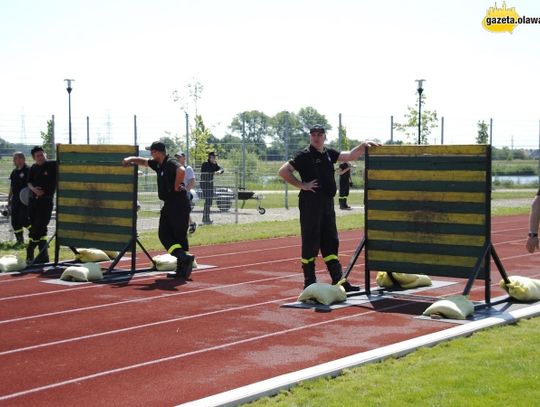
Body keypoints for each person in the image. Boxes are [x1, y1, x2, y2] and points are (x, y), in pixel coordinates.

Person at [278, 125, 379, 291]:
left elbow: (349, 156)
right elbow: (283, 171)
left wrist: (363, 145)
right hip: (311, 204)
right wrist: (301, 185)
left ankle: (339, 281)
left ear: (324, 137)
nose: (316, 138)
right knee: (311, 241)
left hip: (327, 204)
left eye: (319, 135)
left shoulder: (328, 153)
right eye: (313, 135)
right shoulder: (304, 155)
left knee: (331, 241)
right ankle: (309, 282)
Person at [122, 141, 194, 279]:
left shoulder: (171, 162)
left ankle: (182, 265)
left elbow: (182, 170)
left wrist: (177, 184)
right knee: (166, 234)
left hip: (178, 204)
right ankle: (183, 260)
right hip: (170, 204)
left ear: (159, 152)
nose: (151, 154)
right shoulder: (158, 164)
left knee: (172, 235)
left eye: (152, 152)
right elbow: (143, 162)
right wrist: (131, 159)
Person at [27, 146, 57, 264]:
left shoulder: (52, 165)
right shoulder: (33, 168)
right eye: (37, 156)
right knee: (38, 228)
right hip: (33, 201)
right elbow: (28, 182)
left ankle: (30, 250)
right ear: (34, 158)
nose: (40, 157)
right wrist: (34, 190)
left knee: (39, 226)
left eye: (41, 154)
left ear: (45, 154)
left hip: (46, 201)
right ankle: (43, 255)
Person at [8, 152, 31, 246]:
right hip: (16, 199)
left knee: (24, 220)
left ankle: (38, 236)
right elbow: (12, 187)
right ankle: (20, 241)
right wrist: (9, 198)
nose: (14, 160)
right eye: (14, 158)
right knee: (15, 221)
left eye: (16, 158)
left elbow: (32, 185)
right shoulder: (14, 172)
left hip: (25, 200)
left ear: (22, 159)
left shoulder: (28, 170)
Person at [174, 151, 197, 234]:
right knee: (181, 210)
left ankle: (187, 225)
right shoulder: (175, 168)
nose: (177, 158)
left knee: (183, 210)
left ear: (184, 158)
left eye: (179, 157)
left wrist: (186, 190)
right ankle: (191, 224)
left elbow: (192, 181)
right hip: (176, 192)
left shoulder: (188, 168)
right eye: (177, 157)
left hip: (184, 192)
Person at [200, 151, 224, 225]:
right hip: (204, 184)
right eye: (213, 157)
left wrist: (219, 171)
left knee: (209, 201)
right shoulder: (205, 164)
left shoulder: (214, 164)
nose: (214, 158)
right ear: (209, 157)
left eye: (215, 157)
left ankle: (206, 217)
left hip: (210, 184)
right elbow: (208, 171)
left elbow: (221, 169)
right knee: (208, 200)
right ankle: (205, 218)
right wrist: (215, 171)